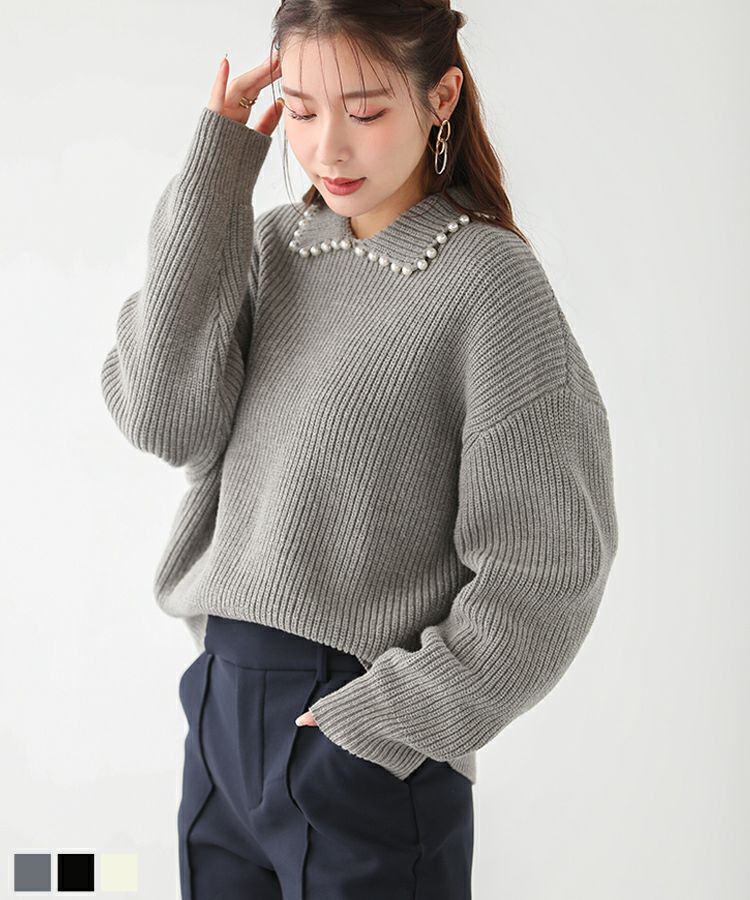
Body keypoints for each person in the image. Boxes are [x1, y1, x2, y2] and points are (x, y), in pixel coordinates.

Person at [99, 2, 619, 898]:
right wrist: (218, 167)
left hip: (359, 737)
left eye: (366, 111)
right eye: (301, 111)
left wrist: (383, 724)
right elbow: (160, 416)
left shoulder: (489, 285)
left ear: (440, 96)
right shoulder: (273, 247)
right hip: (223, 712)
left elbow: (549, 566)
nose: (327, 149)